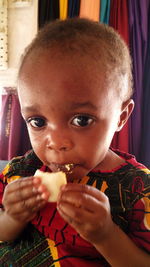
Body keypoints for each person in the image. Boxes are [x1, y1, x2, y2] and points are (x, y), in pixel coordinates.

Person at [0, 18, 150, 267]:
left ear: (121, 117)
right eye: (38, 121)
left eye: (81, 120)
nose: (56, 143)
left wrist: (106, 235)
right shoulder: (19, 173)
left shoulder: (139, 191)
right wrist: (12, 218)